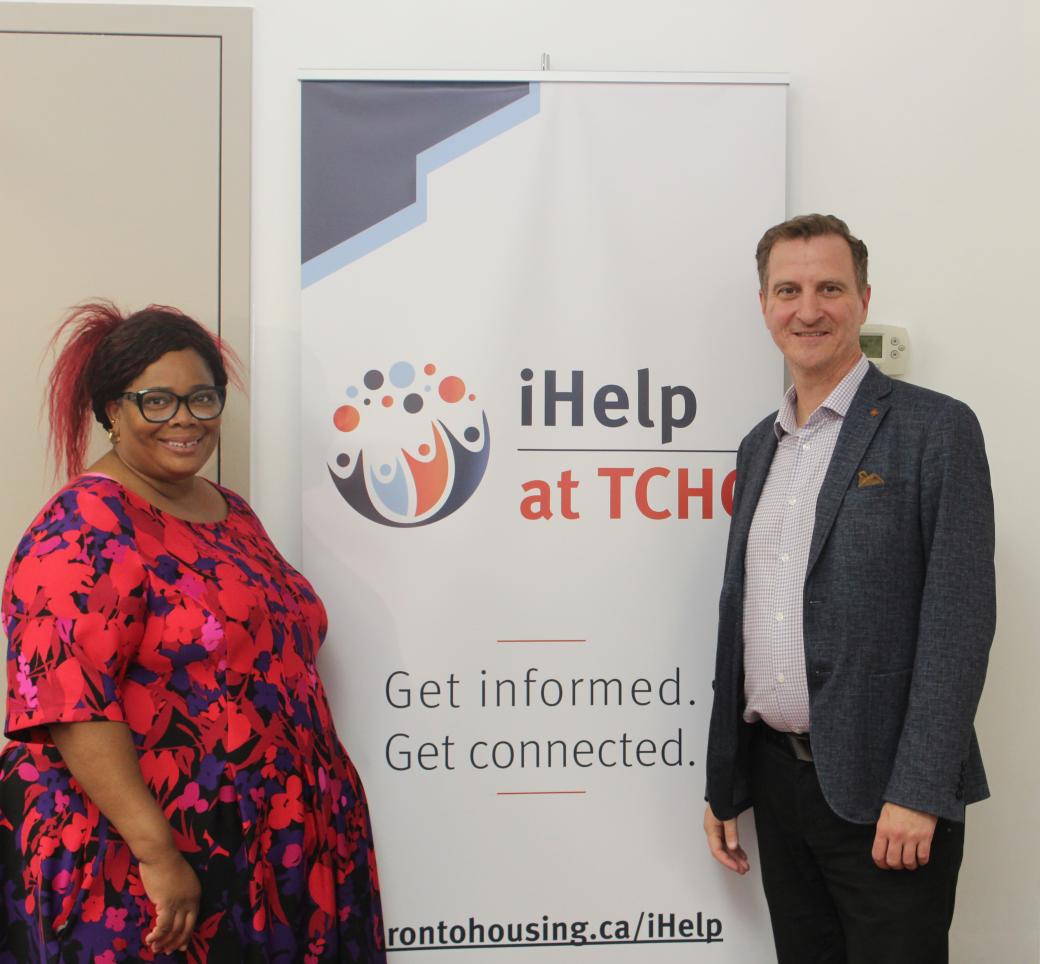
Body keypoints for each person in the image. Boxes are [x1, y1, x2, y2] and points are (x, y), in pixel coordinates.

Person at [0, 302, 386, 962]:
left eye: (201, 398)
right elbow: (72, 710)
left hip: (276, 842)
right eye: (156, 401)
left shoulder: (231, 512)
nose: (184, 419)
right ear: (110, 411)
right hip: (145, 859)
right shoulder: (82, 527)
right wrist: (158, 855)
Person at [703, 215, 995, 964]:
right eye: (788, 290)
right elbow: (743, 621)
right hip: (778, 786)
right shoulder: (757, 446)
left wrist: (921, 791)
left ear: (863, 299)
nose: (809, 309)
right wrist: (725, 778)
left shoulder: (936, 430)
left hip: (886, 796)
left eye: (829, 287)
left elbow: (958, 621)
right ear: (764, 305)